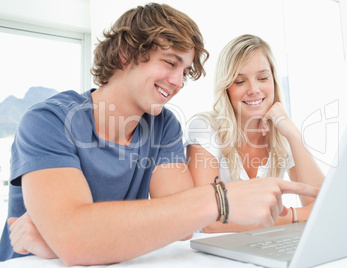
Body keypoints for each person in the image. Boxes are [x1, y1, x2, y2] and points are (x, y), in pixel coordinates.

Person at [0, 4, 319, 266]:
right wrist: (73, 237)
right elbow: (77, 240)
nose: (178, 82)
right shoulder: (48, 121)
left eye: (185, 71)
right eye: (170, 63)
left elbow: (181, 226)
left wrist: (63, 238)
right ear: (125, 54)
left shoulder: (163, 125)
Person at [185, 34, 324, 233]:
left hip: (265, 243)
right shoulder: (206, 127)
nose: (253, 89)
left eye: (263, 78)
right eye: (240, 81)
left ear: (274, 81)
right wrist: (297, 215)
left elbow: (322, 205)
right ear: (226, 89)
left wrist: (294, 136)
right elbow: (209, 221)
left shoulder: (282, 133)